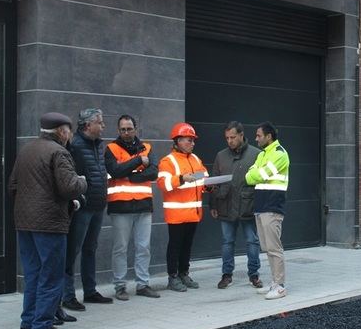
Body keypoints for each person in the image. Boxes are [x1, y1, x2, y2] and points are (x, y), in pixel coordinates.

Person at [9, 112, 87, 329]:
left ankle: (28, 324)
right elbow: (70, 187)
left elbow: (13, 186)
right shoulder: (58, 152)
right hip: (50, 224)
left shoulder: (26, 150)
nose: (70, 135)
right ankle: (42, 327)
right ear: (62, 131)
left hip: (25, 222)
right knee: (51, 276)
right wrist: (83, 181)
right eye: (69, 130)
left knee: (33, 274)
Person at [62, 108, 113, 311]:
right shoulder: (74, 145)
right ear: (87, 125)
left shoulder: (99, 146)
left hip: (98, 204)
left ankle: (90, 291)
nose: (102, 126)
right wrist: (79, 199)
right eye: (99, 123)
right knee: (72, 250)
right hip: (82, 207)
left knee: (90, 249)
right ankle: (67, 295)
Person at [105, 115, 160, 300]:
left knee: (143, 247)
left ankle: (142, 284)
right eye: (123, 129)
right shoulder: (111, 149)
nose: (126, 132)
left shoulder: (148, 147)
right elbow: (115, 171)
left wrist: (133, 177)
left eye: (129, 128)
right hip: (120, 206)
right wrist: (137, 162)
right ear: (118, 130)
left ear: (136, 129)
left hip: (143, 205)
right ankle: (120, 286)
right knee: (120, 248)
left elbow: (154, 172)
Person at [209, 121, 263, 290]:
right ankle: (226, 275)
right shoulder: (221, 155)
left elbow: (262, 182)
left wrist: (260, 206)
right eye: (227, 138)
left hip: (248, 205)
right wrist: (213, 205)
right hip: (225, 205)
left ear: (241, 135)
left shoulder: (257, 154)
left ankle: (254, 275)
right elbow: (213, 183)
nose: (230, 141)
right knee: (227, 242)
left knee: (252, 241)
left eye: (233, 137)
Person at [157, 122, 208, 292]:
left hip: (193, 212)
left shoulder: (195, 159)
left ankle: (184, 273)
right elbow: (163, 184)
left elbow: (203, 177)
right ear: (178, 141)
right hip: (177, 214)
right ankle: (173, 277)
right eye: (188, 140)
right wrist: (181, 179)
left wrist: (208, 185)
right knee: (175, 246)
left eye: (193, 141)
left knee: (187, 245)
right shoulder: (168, 161)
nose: (192, 143)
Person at [245, 121, 290, 300]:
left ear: (268, 136)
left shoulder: (280, 154)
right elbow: (249, 177)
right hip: (261, 206)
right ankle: (274, 282)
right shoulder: (263, 154)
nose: (256, 139)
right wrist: (255, 174)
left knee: (274, 247)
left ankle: (280, 286)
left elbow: (259, 175)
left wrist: (255, 174)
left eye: (258, 136)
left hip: (272, 205)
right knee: (266, 247)